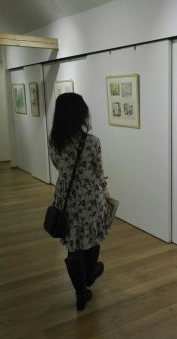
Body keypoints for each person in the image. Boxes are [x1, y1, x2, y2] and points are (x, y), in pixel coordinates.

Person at [49, 92, 111, 310]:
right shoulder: (92, 142)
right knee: (92, 239)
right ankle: (90, 275)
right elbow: (99, 171)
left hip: (67, 201)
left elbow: (59, 167)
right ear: (81, 114)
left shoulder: (54, 142)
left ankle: (81, 292)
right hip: (90, 200)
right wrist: (106, 191)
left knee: (74, 245)